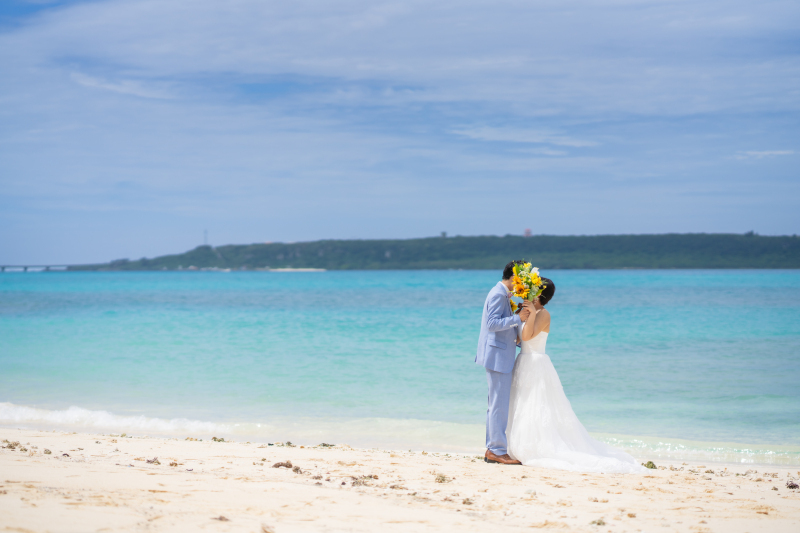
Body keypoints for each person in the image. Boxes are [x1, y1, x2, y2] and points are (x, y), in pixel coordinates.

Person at [507, 279, 645, 473]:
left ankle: (534, 446)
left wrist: (528, 315)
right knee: (521, 402)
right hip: (523, 362)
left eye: (531, 289)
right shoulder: (528, 312)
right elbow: (517, 338)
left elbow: (527, 337)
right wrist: (520, 315)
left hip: (536, 363)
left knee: (538, 404)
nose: (527, 292)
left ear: (538, 294)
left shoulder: (544, 314)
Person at [475, 260, 531, 465]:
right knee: (498, 406)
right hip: (498, 357)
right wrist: (518, 318)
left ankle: (493, 449)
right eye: (523, 279)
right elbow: (492, 324)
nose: (523, 284)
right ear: (514, 277)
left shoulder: (501, 293)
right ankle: (497, 450)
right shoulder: (498, 294)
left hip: (497, 355)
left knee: (495, 405)